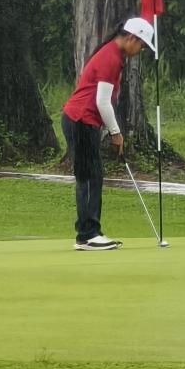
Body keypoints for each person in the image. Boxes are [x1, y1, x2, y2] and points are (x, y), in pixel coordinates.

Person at [61, 17, 158, 251]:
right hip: (81, 120)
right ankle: (88, 235)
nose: (140, 50)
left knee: (92, 175)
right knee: (89, 176)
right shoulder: (111, 57)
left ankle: (88, 233)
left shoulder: (112, 54)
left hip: (81, 120)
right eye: (141, 45)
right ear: (131, 38)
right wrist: (116, 133)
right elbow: (103, 101)